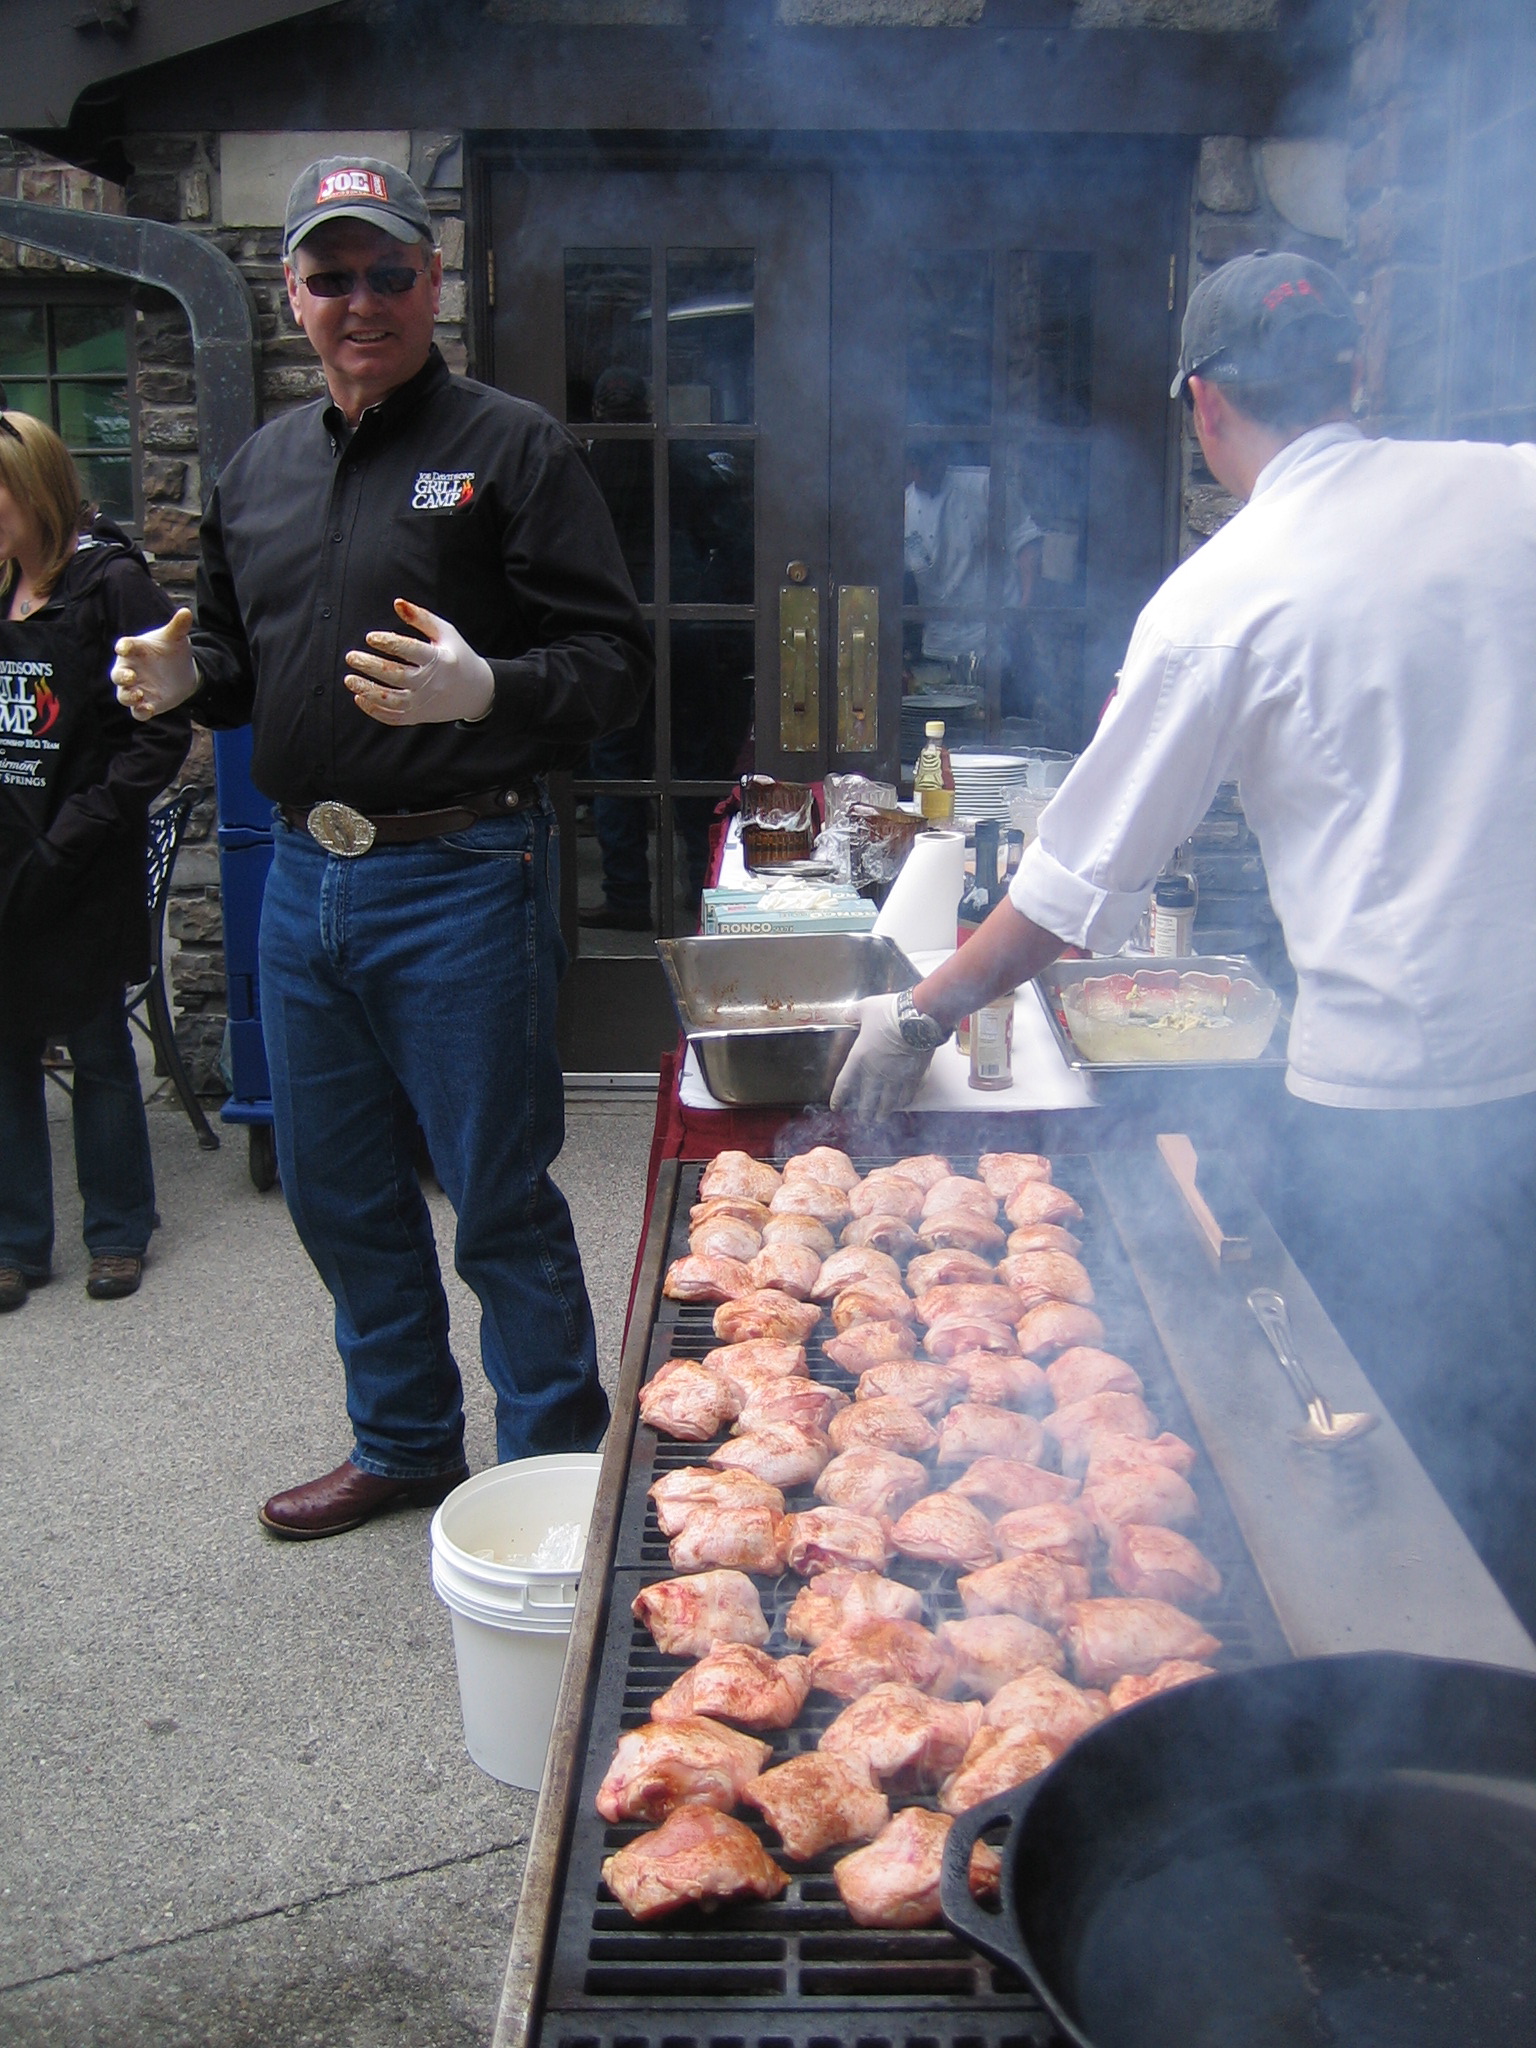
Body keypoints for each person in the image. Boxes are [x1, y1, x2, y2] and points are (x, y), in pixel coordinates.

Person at [834, 251, 1536, 1625]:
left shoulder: (1229, 595)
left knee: (1401, 1457)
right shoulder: (1516, 486)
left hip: (1394, 1098)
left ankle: (1436, 1726)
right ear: (1360, 371)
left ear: (1205, 405)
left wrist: (921, 1015)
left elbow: (1072, 884)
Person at [113, 157, 651, 1539]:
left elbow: (610, 664)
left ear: (432, 283)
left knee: (495, 1200)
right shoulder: (258, 469)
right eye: (331, 275)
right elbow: (240, 659)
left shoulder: (512, 447)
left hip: (463, 874)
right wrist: (190, 685)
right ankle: (406, 1441)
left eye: (389, 272)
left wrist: (498, 690)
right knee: (340, 1193)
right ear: (292, 292)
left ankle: (546, 1472)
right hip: (304, 884)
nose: (362, 301)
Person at [0, 409, 190, 1310]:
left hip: (83, 856)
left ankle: (116, 1230)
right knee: (5, 1048)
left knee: (99, 1044)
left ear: (33, 492)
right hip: (5, 858)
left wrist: (75, 831)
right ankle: (15, 1241)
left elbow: (156, 737)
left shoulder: (112, 585)